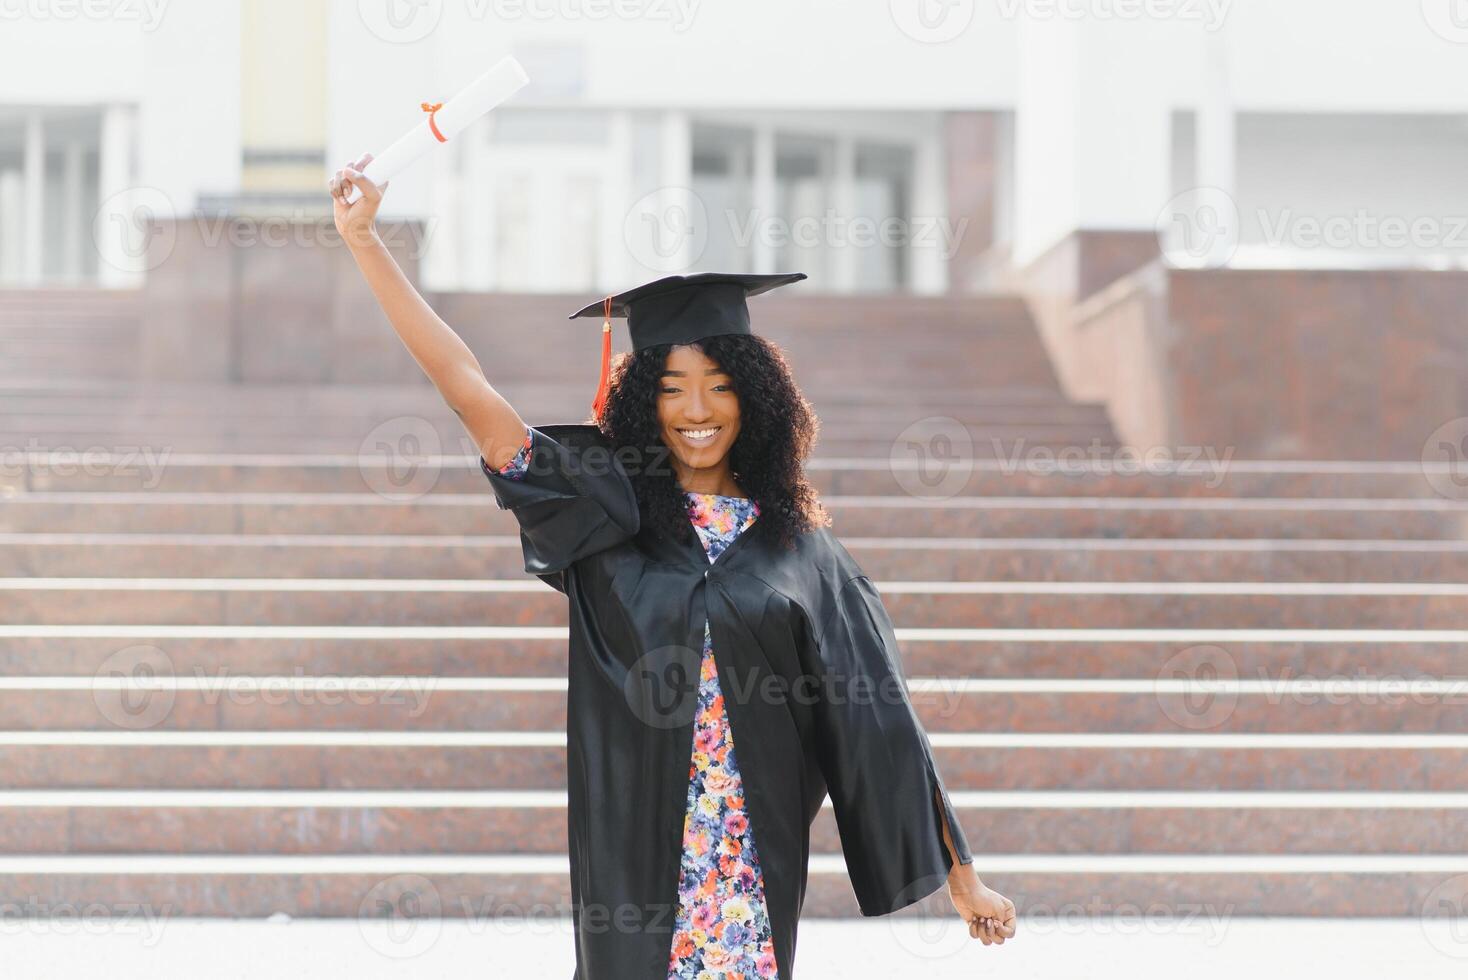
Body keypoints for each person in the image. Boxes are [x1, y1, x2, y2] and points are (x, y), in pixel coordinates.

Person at [330, 153, 1017, 980]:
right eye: (673, 388)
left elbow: (880, 719)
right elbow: (467, 388)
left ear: (757, 398)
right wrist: (367, 242)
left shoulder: (804, 554)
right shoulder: (605, 513)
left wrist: (962, 877)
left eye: (720, 386)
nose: (697, 411)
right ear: (640, 399)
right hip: (632, 872)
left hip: (748, 885)